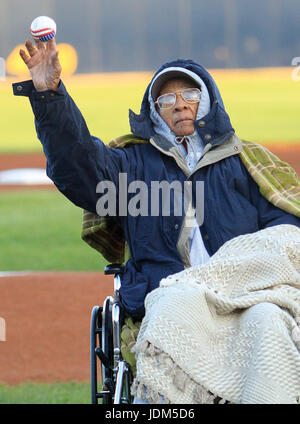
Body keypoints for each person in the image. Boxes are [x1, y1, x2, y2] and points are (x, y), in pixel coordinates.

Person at [14, 38, 300, 403]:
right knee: (173, 308)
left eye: (190, 94)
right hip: (168, 299)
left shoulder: (247, 163)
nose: (180, 104)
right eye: (167, 99)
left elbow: (285, 236)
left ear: (208, 100)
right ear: (155, 109)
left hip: (242, 298)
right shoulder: (132, 164)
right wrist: (49, 95)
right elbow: (78, 169)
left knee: (269, 320)